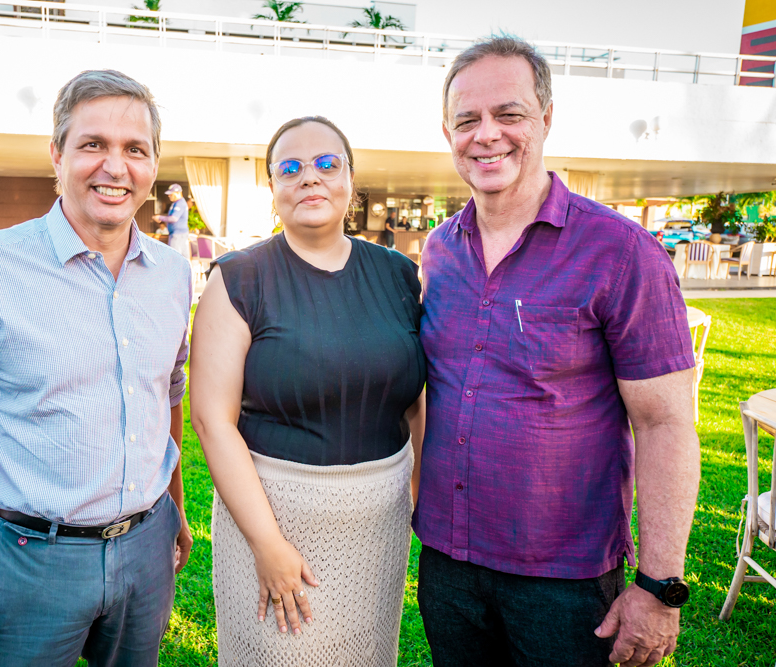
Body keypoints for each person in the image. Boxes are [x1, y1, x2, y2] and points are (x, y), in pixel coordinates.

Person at [415, 36, 700, 667]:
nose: (486, 135)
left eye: (508, 114)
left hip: (564, 581)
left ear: (546, 118)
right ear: (448, 133)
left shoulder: (622, 254)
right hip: (447, 563)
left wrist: (659, 587)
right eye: (467, 120)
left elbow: (665, 424)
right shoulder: (439, 250)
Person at [0, 69, 194, 667]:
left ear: (154, 164)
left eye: (135, 149)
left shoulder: (172, 274)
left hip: (148, 548)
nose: (115, 167)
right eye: (93, 144)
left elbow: (167, 394)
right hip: (30, 561)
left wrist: (175, 505)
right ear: (57, 154)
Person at [190, 116, 426, 666]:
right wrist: (267, 544)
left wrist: (422, 495)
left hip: (378, 529)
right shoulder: (239, 278)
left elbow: (416, 397)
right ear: (273, 187)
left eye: (326, 164)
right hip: (275, 525)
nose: (309, 178)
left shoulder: (398, 275)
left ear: (350, 180)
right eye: (290, 168)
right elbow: (211, 421)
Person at [152, 183, 189, 256]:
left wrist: (160, 217)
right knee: (180, 257)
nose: (169, 196)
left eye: (171, 194)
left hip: (178, 234)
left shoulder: (180, 203)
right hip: (176, 234)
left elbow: (174, 218)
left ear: (178, 193)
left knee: (175, 256)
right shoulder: (176, 203)